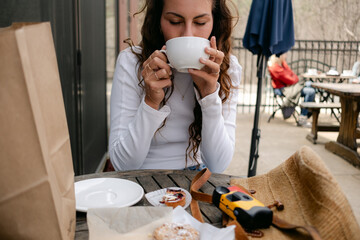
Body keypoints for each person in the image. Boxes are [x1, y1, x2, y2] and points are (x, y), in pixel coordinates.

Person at [108, 0, 242, 173]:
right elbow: (122, 164)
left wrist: (209, 96)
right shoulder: (131, 62)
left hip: (196, 179)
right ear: (158, 21)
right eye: (175, 21)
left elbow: (218, 165)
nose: (188, 35)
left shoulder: (227, 67)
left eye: (200, 23)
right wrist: (150, 101)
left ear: (215, 22)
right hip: (141, 176)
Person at [268, 52, 315, 127]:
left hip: (290, 87)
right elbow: (292, 80)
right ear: (279, 56)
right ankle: (303, 117)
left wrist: (284, 63)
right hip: (283, 89)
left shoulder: (281, 65)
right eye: (284, 54)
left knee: (310, 86)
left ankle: (305, 114)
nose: (286, 56)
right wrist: (293, 77)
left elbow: (292, 75)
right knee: (310, 90)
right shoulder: (275, 67)